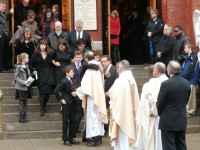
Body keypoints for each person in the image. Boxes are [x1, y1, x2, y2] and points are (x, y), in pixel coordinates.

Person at [74, 51, 108, 146]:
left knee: (93, 117)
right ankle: (99, 138)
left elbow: (86, 86)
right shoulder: (98, 66)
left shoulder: (91, 69)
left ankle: (94, 139)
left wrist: (77, 93)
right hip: (98, 95)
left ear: (86, 58)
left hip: (92, 97)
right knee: (97, 116)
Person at [156, 60, 191, 150]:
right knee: (181, 144)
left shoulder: (166, 84)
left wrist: (161, 113)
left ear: (169, 71)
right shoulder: (186, 83)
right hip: (181, 118)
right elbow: (185, 101)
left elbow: (159, 103)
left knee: (169, 146)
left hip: (168, 119)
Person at [106, 60, 140, 150]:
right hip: (131, 112)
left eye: (117, 68)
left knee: (122, 136)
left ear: (120, 68)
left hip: (122, 113)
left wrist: (107, 93)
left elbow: (113, 94)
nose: (117, 69)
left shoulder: (120, 80)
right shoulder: (132, 80)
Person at [136, 62, 168, 150]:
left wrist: (150, 109)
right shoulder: (167, 81)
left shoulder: (149, 85)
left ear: (154, 72)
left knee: (154, 138)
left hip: (155, 114)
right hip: (167, 115)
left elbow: (149, 101)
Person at [54, 66, 80, 146]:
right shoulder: (64, 81)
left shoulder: (71, 80)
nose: (73, 73)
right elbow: (56, 91)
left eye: (73, 72)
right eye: (71, 72)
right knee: (65, 122)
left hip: (73, 103)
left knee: (73, 121)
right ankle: (65, 139)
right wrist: (61, 99)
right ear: (67, 73)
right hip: (67, 104)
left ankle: (71, 138)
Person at [29, 39, 55, 116]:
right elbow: (30, 64)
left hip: (49, 74)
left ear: (46, 46)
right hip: (40, 74)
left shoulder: (50, 54)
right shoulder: (35, 54)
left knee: (48, 92)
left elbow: (52, 63)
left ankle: (43, 106)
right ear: (39, 45)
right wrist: (33, 70)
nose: (43, 46)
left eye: (44, 45)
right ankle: (42, 110)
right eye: (42, 45)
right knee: (41, 92)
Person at [181, 42, 200, 117]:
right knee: (187, 96)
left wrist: (185, 77)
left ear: (189, 48)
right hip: (186, 79)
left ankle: (191, 111)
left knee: (191, 96)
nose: (184, 49)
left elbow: (192, 69)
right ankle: (187, 110)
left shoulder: (194, 57)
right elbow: (184, 68)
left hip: (191, 79)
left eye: (185, 47)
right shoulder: (186, 56)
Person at [14, 53, 32, 123]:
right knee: (21, 102)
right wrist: (23, 82)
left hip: (27, 87)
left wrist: (31, 76)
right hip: (21, 87)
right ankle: (21, 118)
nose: (28, 59)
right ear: (23, 59)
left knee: (26, 102)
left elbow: (27, 75)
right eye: (27, 58)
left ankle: (24, 117)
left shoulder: (27, 66)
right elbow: (16, 77)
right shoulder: (18, 67)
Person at [0, 2, 14, 72]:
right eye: (2, 6)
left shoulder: (2, 14)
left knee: (6, 52)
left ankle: (6, 68)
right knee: (1, 52)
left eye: (4, 7)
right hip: (2, 36)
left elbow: (4, 19)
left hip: (6, 35)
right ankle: (1, 68)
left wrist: (10, 13)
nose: (4, 8)